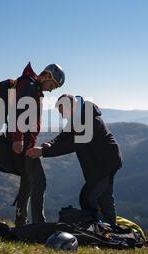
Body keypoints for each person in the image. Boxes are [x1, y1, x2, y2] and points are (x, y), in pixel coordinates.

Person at [0, 62, 65, 227]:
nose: (52, 89)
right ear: (47, 75)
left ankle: (22, 221)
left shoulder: (32, 86)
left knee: (29, 178)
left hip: (23, 142)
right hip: (20, 141)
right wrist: (18, 138)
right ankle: (36, 224)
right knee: (38, 180)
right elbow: (19, 110)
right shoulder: (30, 85)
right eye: (52, 85)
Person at [26, 94, 123, 228]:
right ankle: (108, 228)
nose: (62, 116)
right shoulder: (77, 116)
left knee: (88, 198)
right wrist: (48, 144)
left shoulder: (90, 119)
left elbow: (73, 144)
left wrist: (43, 152)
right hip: (99, 164)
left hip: (105, 164)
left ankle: (100, 227)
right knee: (103, 197)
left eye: (62, 112)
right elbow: (63, 136)